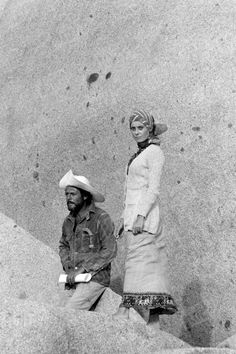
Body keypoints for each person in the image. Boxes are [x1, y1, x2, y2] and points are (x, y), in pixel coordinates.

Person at [113, 109, 177, 323]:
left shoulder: (154, 153)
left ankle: (125, 309)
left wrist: (140, 215)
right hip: (132, 219)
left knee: (136, 263)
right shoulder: (137, 156)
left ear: (149, 128)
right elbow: (130, 191)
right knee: (145, 267)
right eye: (133, 128)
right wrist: (124, 217)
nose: (136, 132)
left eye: (141, 128)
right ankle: (153, 321)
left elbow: (153, 189)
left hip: (145, 218)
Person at [58, 169, 117, 311]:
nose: (68, 198)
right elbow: (63, 245)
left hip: (94, 279)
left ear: (84, 196)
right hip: (73, 280)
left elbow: (110, 250)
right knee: (55, 315)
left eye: (73, 194)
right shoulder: (68, 221)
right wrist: (68, 267)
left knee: (69, 313)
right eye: (66, 194)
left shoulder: (101, 218)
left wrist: (83, 269)